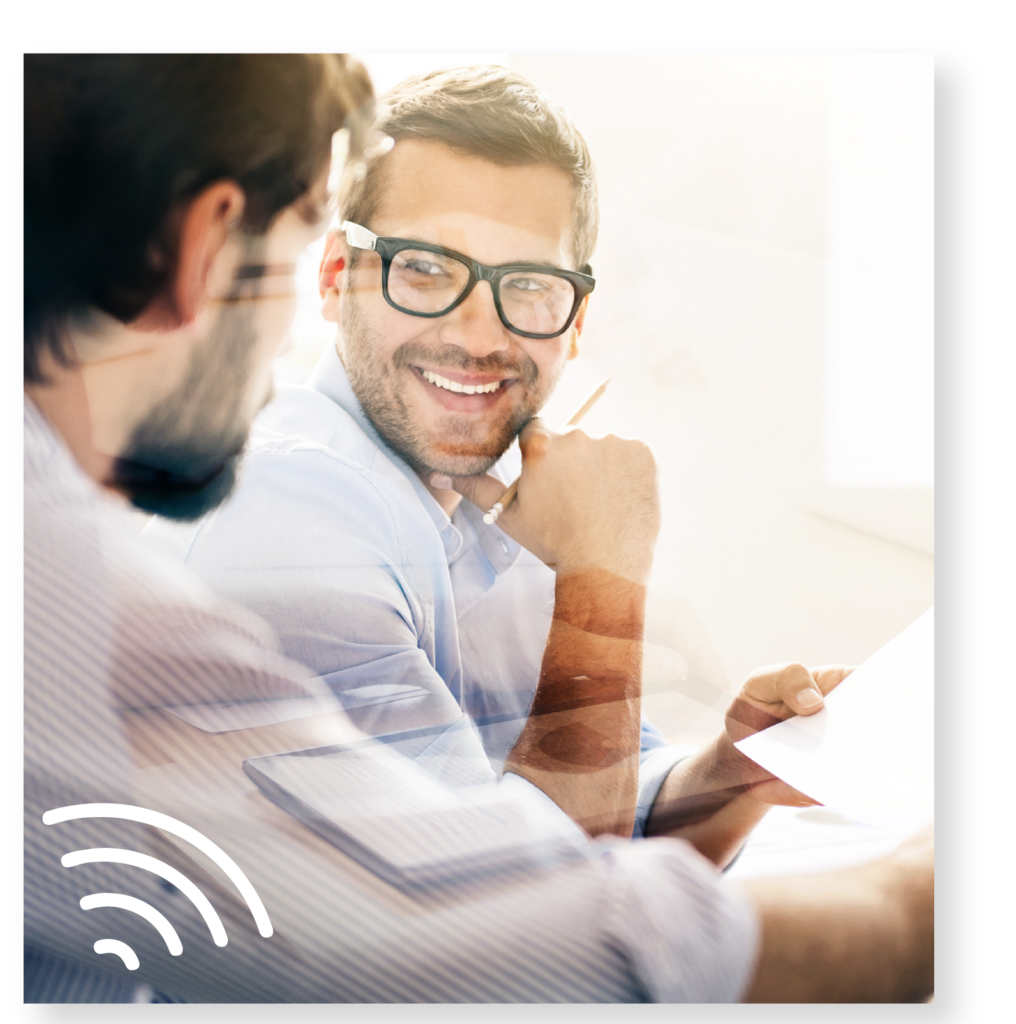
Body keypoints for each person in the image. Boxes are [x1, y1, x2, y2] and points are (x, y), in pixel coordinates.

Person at [24, 53, 934, 1003]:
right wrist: (605, 573)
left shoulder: (500, 490)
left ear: (577, 319)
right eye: (423, 269)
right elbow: (527, 947)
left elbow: (574, 837)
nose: (481, 333)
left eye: (529, 287)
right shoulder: (288, 501)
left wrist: (728, 776)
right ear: (334, 274)